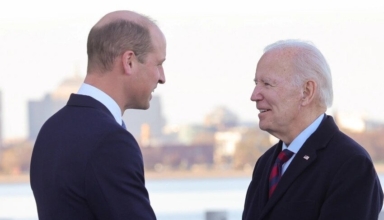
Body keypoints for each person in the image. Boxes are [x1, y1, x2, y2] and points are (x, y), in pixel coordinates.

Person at [30, 10, 166, 220]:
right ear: (129, 61)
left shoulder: (50, 130)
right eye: (158, 64)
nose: (162, 77)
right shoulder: (110, 141)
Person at [242, 39, 383, 220]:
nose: (254, 96)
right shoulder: (267, 162)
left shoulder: (350, 164)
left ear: (307, 92)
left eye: (267, 84)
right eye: (256, 83)